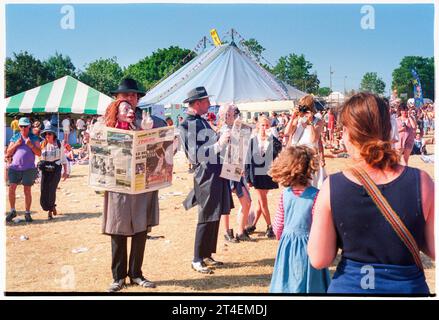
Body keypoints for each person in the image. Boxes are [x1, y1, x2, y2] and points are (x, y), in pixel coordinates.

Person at [308, 93, 435, 294]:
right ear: (388, 129)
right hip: (407, 288)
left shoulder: (332, 186)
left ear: (348, 134)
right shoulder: (422, 181)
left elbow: (319, 258)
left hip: (350, 287)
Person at [102, 78, 167, 292]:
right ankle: (118, 276)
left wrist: (152, 135)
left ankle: (136, 273)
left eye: (134, 95)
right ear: (117, 99)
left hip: (141, 184)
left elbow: (163, 148)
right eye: (126, 95)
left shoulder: (148, 121)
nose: (131, 99)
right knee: (118, 228)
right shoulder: (105, 124)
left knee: (140, 228)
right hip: (118, 184)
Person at [179, 86, 234, 274]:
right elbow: (195, 155)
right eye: (206, 101)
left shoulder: (201, 122)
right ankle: (196, 258)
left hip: (216, 171)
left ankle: (207, 254)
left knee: (215, 214)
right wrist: (219, 144)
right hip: (205, 175)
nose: (209, 105)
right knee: (205, 216)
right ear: (197, 103)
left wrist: (223, 137)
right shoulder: (187, 124)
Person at [269, 146, 330, 293]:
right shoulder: (316, 195)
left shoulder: (285, 194)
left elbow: (278, 225)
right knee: (308, 282)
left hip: (287, 244)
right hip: (310, 244)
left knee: (287, 280)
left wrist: (282, 236)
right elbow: (319, 224)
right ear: (309, 168)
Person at [217, 104, 254, 243]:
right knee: (226, 204)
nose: (235, 115)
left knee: (247, 201)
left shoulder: (237, 128)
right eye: (233, 113)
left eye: (236, 113)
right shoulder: (222, 131)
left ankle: (240, 230)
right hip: (226, 169)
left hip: (237, 168)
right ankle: (227, 231)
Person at [244, 115, 282, 239]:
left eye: (266, 125)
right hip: (256, 174)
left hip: (268, 174)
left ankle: (253, 225)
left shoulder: (272, 140)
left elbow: (278, 152)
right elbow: (247, 160)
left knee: (261, 202)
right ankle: (270, 226)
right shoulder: (253, 140)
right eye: (262, 125)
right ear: (258, 126)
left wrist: (272, 138)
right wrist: (248, 178)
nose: (264, 128)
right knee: (263, 201)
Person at [284, 95, 326, 187]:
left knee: (311, 187)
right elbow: (287, 132)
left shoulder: (318, 121)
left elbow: (313, 139)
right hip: (296, 157)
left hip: (309, 159)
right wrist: (292, 118)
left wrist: (310, 122)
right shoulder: (297, 120)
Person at [6, 117, 42, 223]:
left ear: (29, 127)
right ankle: (12, 211)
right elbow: (8, 153)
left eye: (25, 126)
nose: (23, 128)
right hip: (14, 168)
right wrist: (17, 144)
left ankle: (27, 213)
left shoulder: (34, 138)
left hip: (29, 168)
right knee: (11, 189)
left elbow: (39, 153)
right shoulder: (15, 137)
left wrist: (30, 145)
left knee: (27, 191)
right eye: (21, 126)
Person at [38, 124, 69, 220]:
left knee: (51, 189)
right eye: (46, 134)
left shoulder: (59, 144)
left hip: (56, 168)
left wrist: (65, 171)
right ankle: (48, 206)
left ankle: (50, 210)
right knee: (43, 189)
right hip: (45, 169)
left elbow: (63, 158)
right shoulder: (42, 144)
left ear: (54, 135)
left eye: (50, 134)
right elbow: (38, 157)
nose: (48, 136)